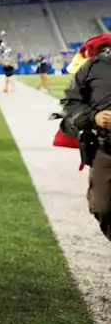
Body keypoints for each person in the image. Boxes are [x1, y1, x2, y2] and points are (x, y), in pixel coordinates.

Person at [60, 35, 111, 241]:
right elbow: (70, 102)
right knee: (102, 206)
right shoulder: (92, 66)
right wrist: (94, 117)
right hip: (106, 149)